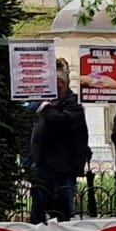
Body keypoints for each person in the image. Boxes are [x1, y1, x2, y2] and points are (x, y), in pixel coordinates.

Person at [27, 59, 89, 222]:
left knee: (61, 213)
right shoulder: (46, 103)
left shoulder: (73, 105)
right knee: (39, 214)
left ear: (61, 83)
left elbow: (61, 122)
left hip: (62, 170)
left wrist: (46, 108)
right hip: (42, 167)